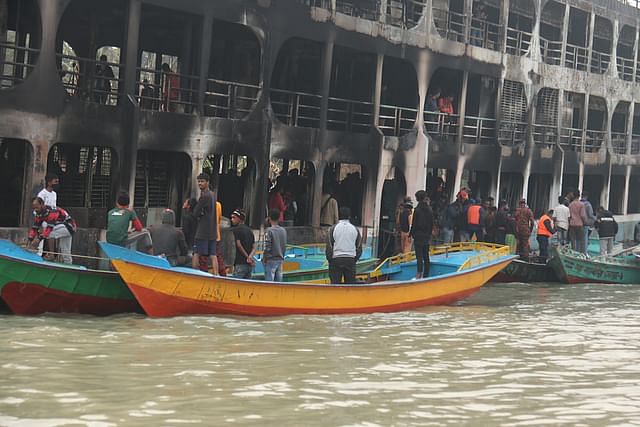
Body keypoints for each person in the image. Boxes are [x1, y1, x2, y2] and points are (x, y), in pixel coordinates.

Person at [28, 197, 76, 264]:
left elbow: (49, 228)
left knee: (49, 233)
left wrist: (38, 239)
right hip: (61, 227)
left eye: (37, 207)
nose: (35, 210)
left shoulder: (52, 211)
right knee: (65, 251)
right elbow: (35, 227)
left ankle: (52, 255)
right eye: (34, 208)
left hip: (69, 226)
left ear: (42, 204)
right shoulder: (39, 213)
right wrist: (30, 239)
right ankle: (69, 265)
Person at [325, 207, 363, 284]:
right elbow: (359, 247)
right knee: (350, 286)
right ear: (349, 216)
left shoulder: (333, 228)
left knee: (335, 285)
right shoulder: (355, 229)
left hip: (336, 260)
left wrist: (330, 260)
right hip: (350, 260)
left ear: (339, 216)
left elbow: (329, 246)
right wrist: (354, 259)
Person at [192, 173, 218, 274]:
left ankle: (195, 274)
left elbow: (195, 213)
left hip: (202, 230)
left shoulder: (204, 196)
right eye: (198, 181)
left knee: (196, 253)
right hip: (212, 231)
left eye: (202, 181)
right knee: (213, 254)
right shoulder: (212, 194)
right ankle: (216, 274)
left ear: (207, 182)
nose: (200, 183)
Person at [410, 190, 434, 279]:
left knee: (419, 256)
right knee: (426, 255)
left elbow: (414, 224)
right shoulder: (430, 210)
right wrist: (429, 234)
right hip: (426, 236)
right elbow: (431, 223)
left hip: (418, 235)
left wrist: (411, 234)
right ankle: (426, 274)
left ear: (417, 199)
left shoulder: (417, 210)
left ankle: (419, 273)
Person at [230, 209, 256, 279]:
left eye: (234, 218)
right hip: (249, 265)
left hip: (240, 263)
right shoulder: (250, 230)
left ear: (239, 219)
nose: (232, 220)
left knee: (236, 286)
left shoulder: (236, 230)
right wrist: (250, 257)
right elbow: (254, 246)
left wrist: (247, 257)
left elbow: (239, 245)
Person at [263, 208, 287, 281]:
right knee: (278, 282)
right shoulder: (283, 230)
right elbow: (284, 245)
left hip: (271, 259)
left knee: (269, 281)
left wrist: (265, 257)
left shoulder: (269, 231)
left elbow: (267, 246)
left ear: (269, 218)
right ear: (279, 218)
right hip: (280, 258)